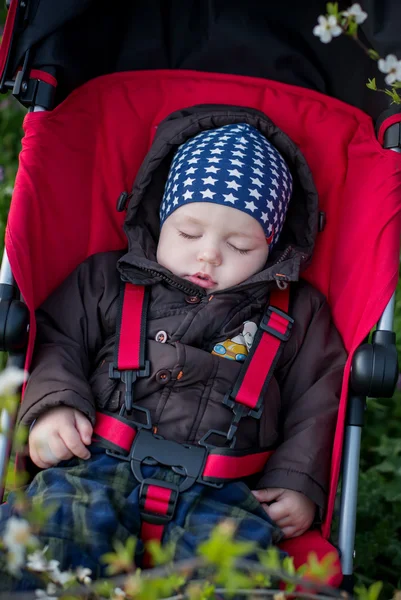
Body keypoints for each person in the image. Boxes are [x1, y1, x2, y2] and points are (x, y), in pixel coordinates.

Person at [0, 107, 346, 588]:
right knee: (51, 534)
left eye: (241, 246)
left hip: (225, 490)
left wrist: (297, 479)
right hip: (93, 463)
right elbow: (59, 341)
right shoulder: (108, 280)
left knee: (233, 578)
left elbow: (318, 397)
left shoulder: (297, 316)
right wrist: (54, 406)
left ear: (273, 247)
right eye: (188, 233)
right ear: (161, 219)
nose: (209, 254)